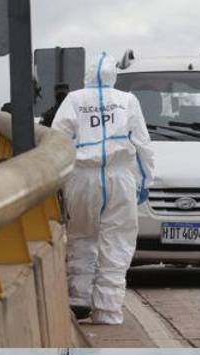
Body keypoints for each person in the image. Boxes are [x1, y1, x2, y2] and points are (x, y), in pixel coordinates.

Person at [51, 52, 155, 324]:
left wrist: (57, 182)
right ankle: (107, 311)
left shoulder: (73, 100)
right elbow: (143, 145)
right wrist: (145, 182)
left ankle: (79, 298)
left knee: (81, 236)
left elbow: (57, 140)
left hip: (81, 176)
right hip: (119, 177)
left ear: (86, 76)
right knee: (117, 242)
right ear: (113, 76)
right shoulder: (127, 101)